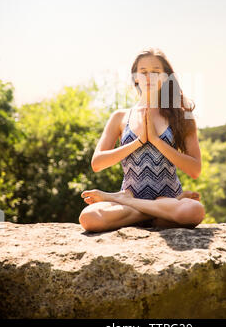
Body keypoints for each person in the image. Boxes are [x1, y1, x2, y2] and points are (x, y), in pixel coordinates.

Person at [79, 47, 205, 232]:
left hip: (168, 199)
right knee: (89, 218)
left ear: (165, 77)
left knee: (195, 211)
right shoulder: (120, 117)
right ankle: (152, 214)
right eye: (144, 72)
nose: (149, 77)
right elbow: (97, 163)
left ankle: (128, 203)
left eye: (156, 72)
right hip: (129, 200)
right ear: (135, 77)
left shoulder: (181, 115)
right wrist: (138, 142)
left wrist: (155, 141)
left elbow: (195, 169)